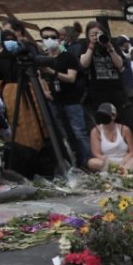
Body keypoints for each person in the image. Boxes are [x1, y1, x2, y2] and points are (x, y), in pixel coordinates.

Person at [36, 26, 90, 166]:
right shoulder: (42, 59)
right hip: (54, 101)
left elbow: (71, 78)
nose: (49, 40)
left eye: (53, 37)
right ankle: (72, 162)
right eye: (46, 37)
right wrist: (45, 91)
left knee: (79, 133)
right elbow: (39, 77)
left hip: (71, 100)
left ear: (59, 39)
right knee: (63, 134)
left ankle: (88, 162)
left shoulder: (68, 57)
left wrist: (52, 72)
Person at [79, 21, 128, 123]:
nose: (96, 36)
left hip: (116, 89)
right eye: (93, 34)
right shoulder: (85, 46)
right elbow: (84, 64)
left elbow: (120, 64)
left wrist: (110, 47)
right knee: (102, 120)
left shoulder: (112, 44)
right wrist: (91, 45)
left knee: (120, 118)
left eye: (98, 33)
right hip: (98, 91)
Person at [87, 103, 133, 171]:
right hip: (107, 162)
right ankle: (119, 170)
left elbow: (132, 151)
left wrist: (123, 161)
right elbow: (96, 153)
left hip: (125, 161)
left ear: (114, 116)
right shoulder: (95, 131)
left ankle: (123, 170)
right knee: (91, 162)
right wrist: (109, 161)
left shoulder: (125, 129)